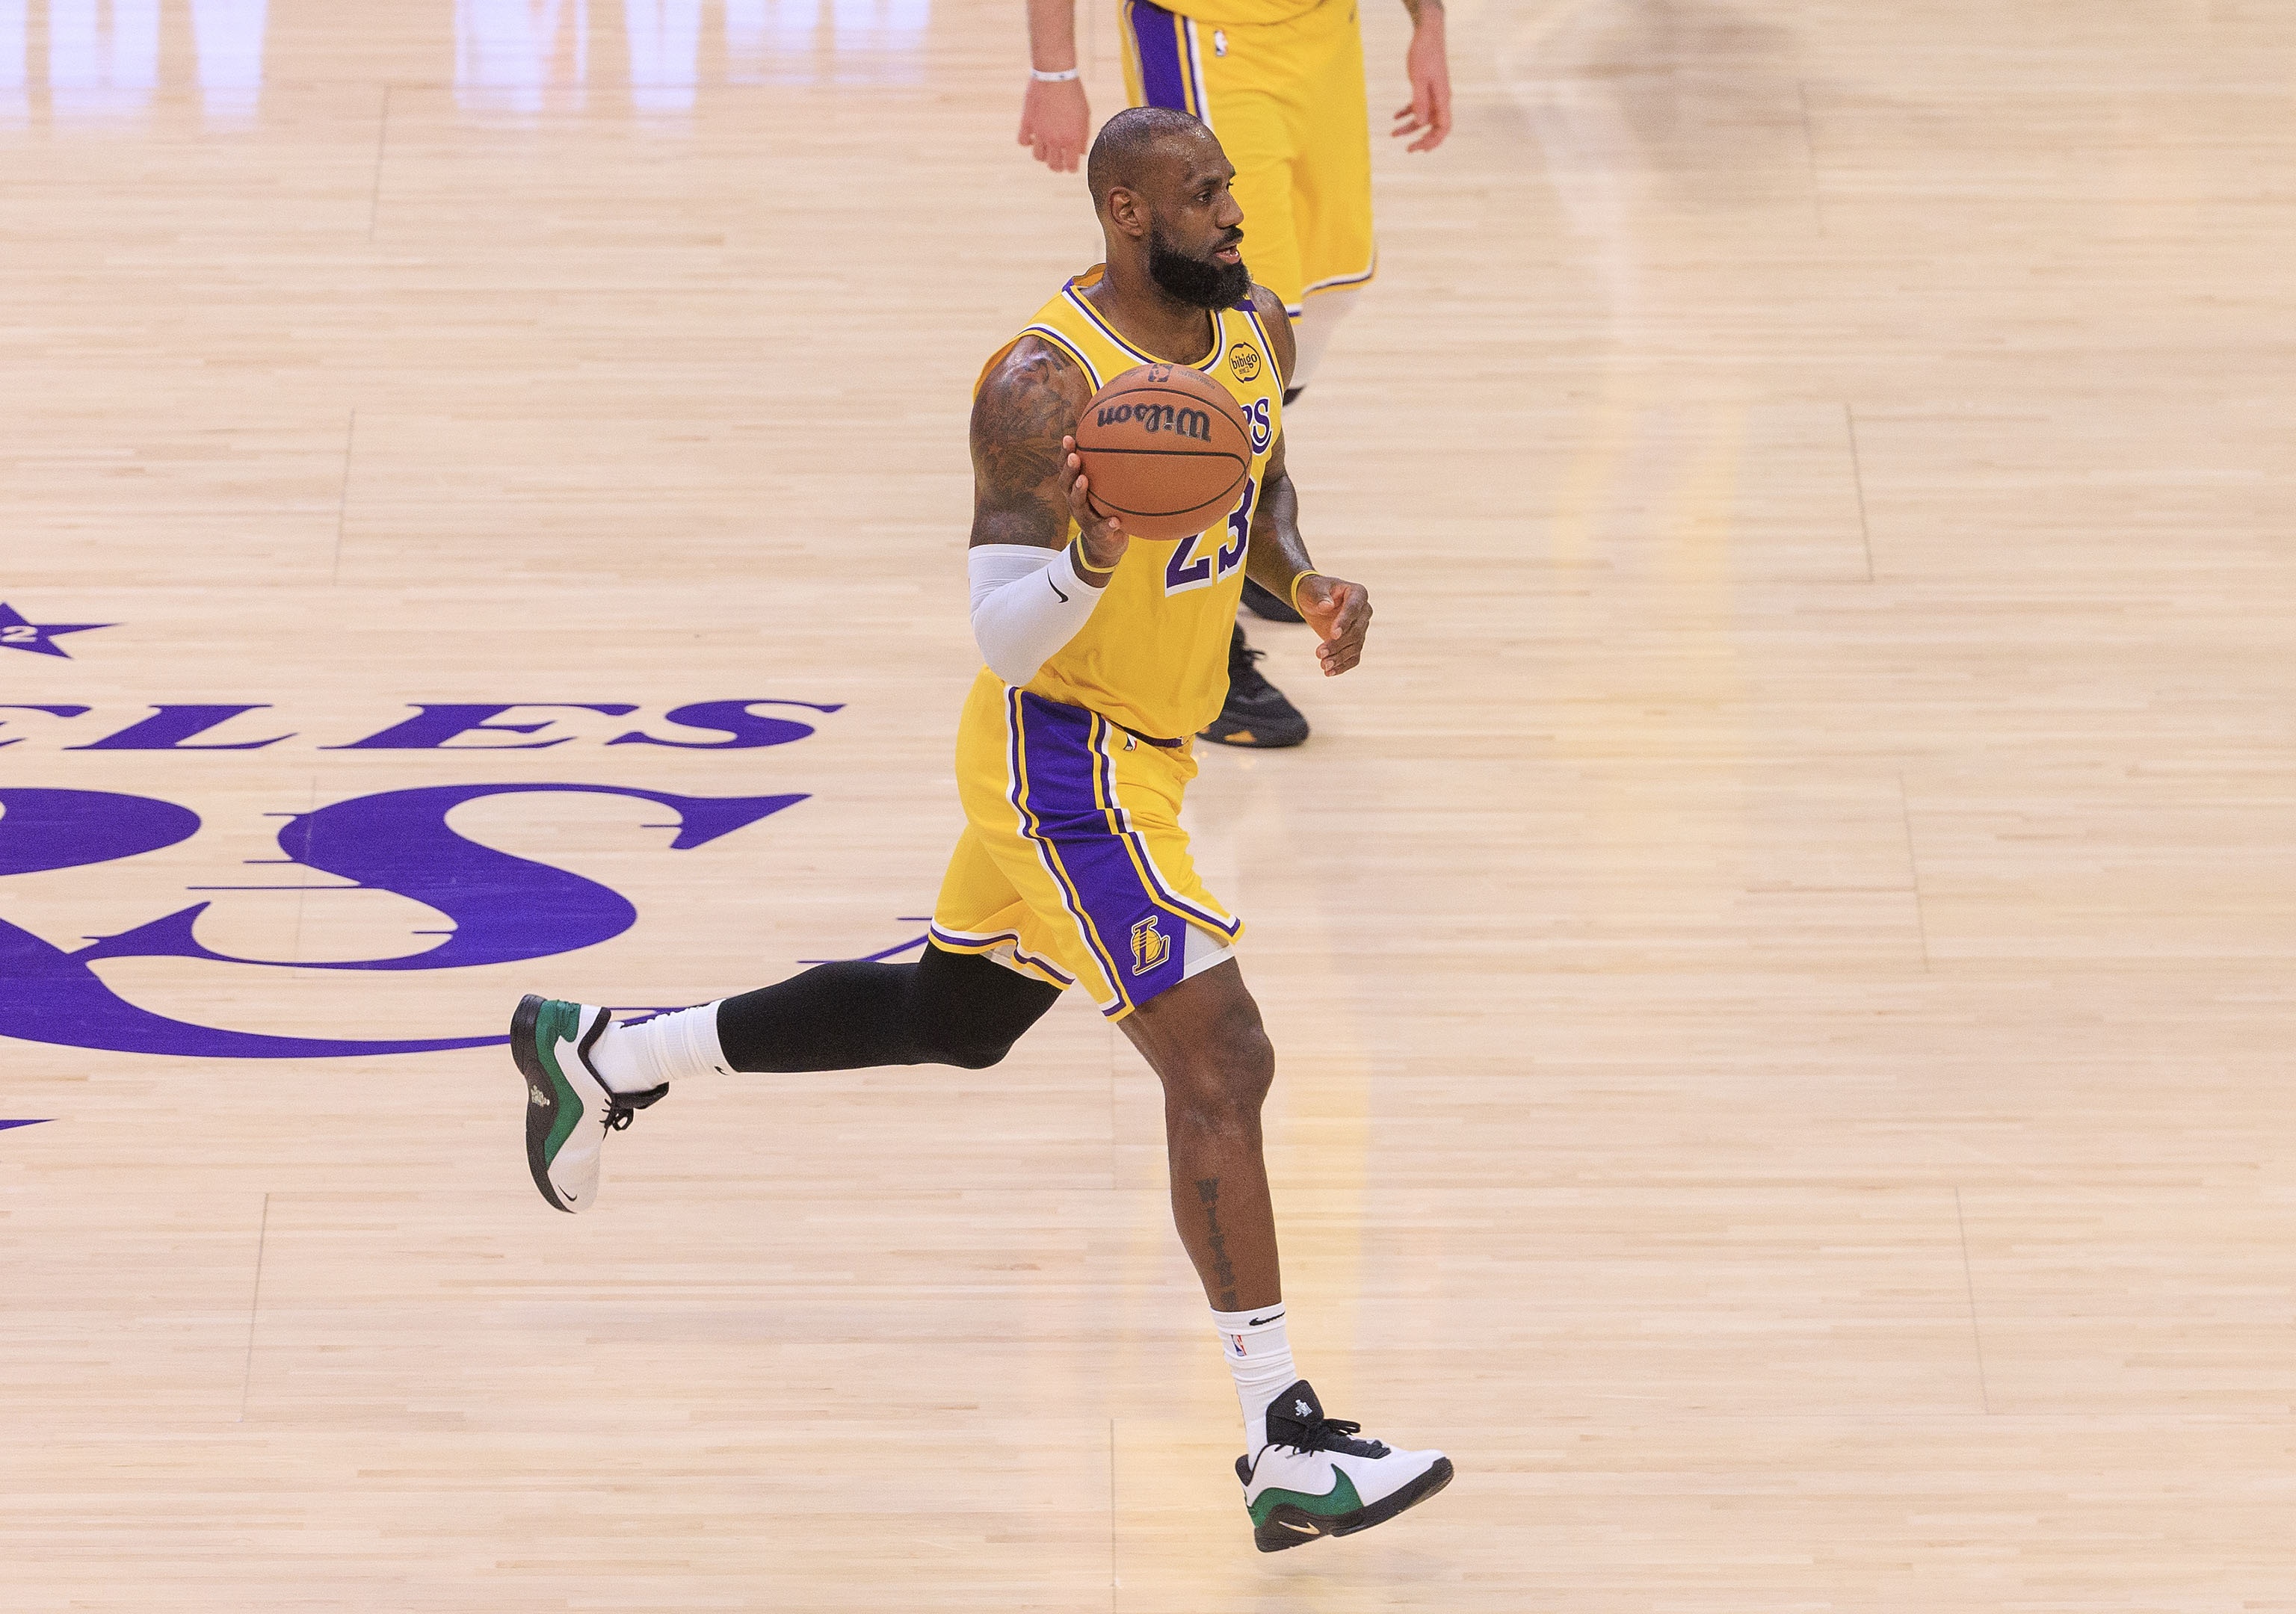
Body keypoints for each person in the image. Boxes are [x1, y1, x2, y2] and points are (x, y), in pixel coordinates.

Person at [511, 107, 1451, 1554]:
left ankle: (608, 1056)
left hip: (1152, 758)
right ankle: (1283, 1437)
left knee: (954, 1019)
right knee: (1225, 1059)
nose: (1233, 215)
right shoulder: (1039, 384)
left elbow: (1252, 489)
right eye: (1203, 195)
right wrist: (1091, 556)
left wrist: (1308, 584)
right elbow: (1004, 636)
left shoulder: (1253, 327)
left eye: (1228, 189)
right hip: (1060, 759)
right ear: (1126, 214)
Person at [1016, 0, 1453, 749]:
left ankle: (1235, 529)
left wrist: (1430, 25)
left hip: (1326, 32)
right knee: (1212, 311)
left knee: (1324, 296)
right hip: (1209, 35)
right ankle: (1206, 634)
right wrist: (1054, 70)